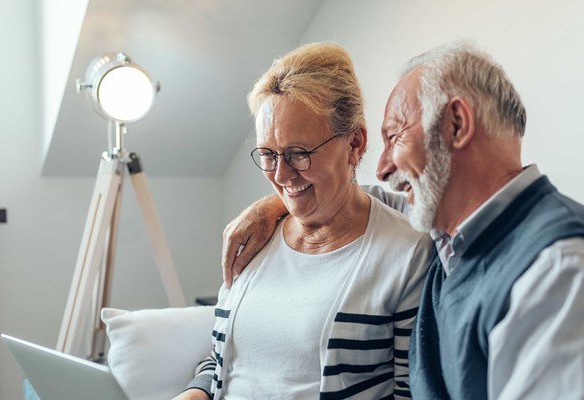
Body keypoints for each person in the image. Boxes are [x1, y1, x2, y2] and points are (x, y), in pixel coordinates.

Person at [220, 41, 584, 399]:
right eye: (271, 157)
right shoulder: (459, 241)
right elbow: (352, 204)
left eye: (394, 136)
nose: (382, 166)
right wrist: (276, 206)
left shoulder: (560, 269)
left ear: (455, 124)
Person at [174, 42, 433, 400]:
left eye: (299, 153)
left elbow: (411, 393)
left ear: (355, 142)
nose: (281, 174)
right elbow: (227, 360)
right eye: (268, 154)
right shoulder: (256, 235)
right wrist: (193, 395)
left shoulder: (406, 254)